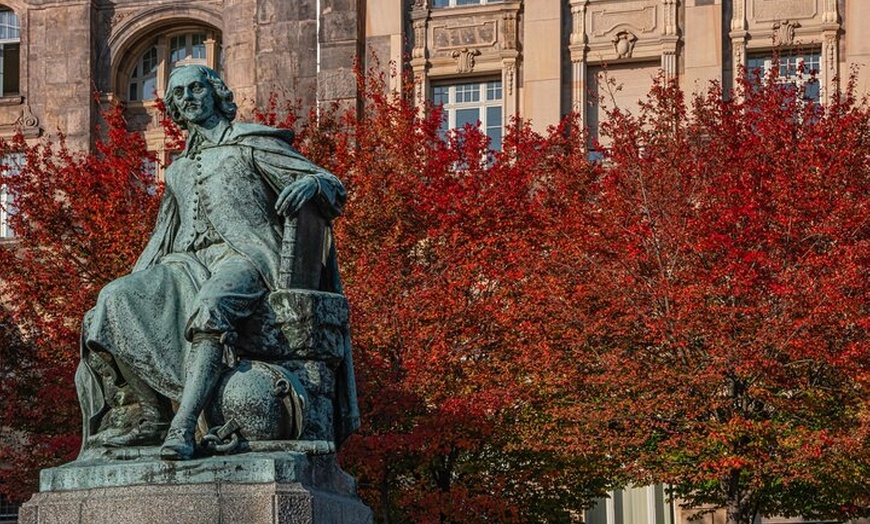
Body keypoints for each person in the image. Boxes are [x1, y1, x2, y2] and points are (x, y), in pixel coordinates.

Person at [75, 65, 355, 460]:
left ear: (215, 94)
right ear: (173, 106)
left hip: (244, 256)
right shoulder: (178, 169)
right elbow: (163, 235)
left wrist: (312, 183)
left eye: (196, 88)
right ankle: (153, 415)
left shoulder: (251, 143)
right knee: (113, 298)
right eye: (178, 94)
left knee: (210, 306)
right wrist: (136, 282)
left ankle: (183, 426)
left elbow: (332, 186)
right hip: (185, 261)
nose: (188, 97)